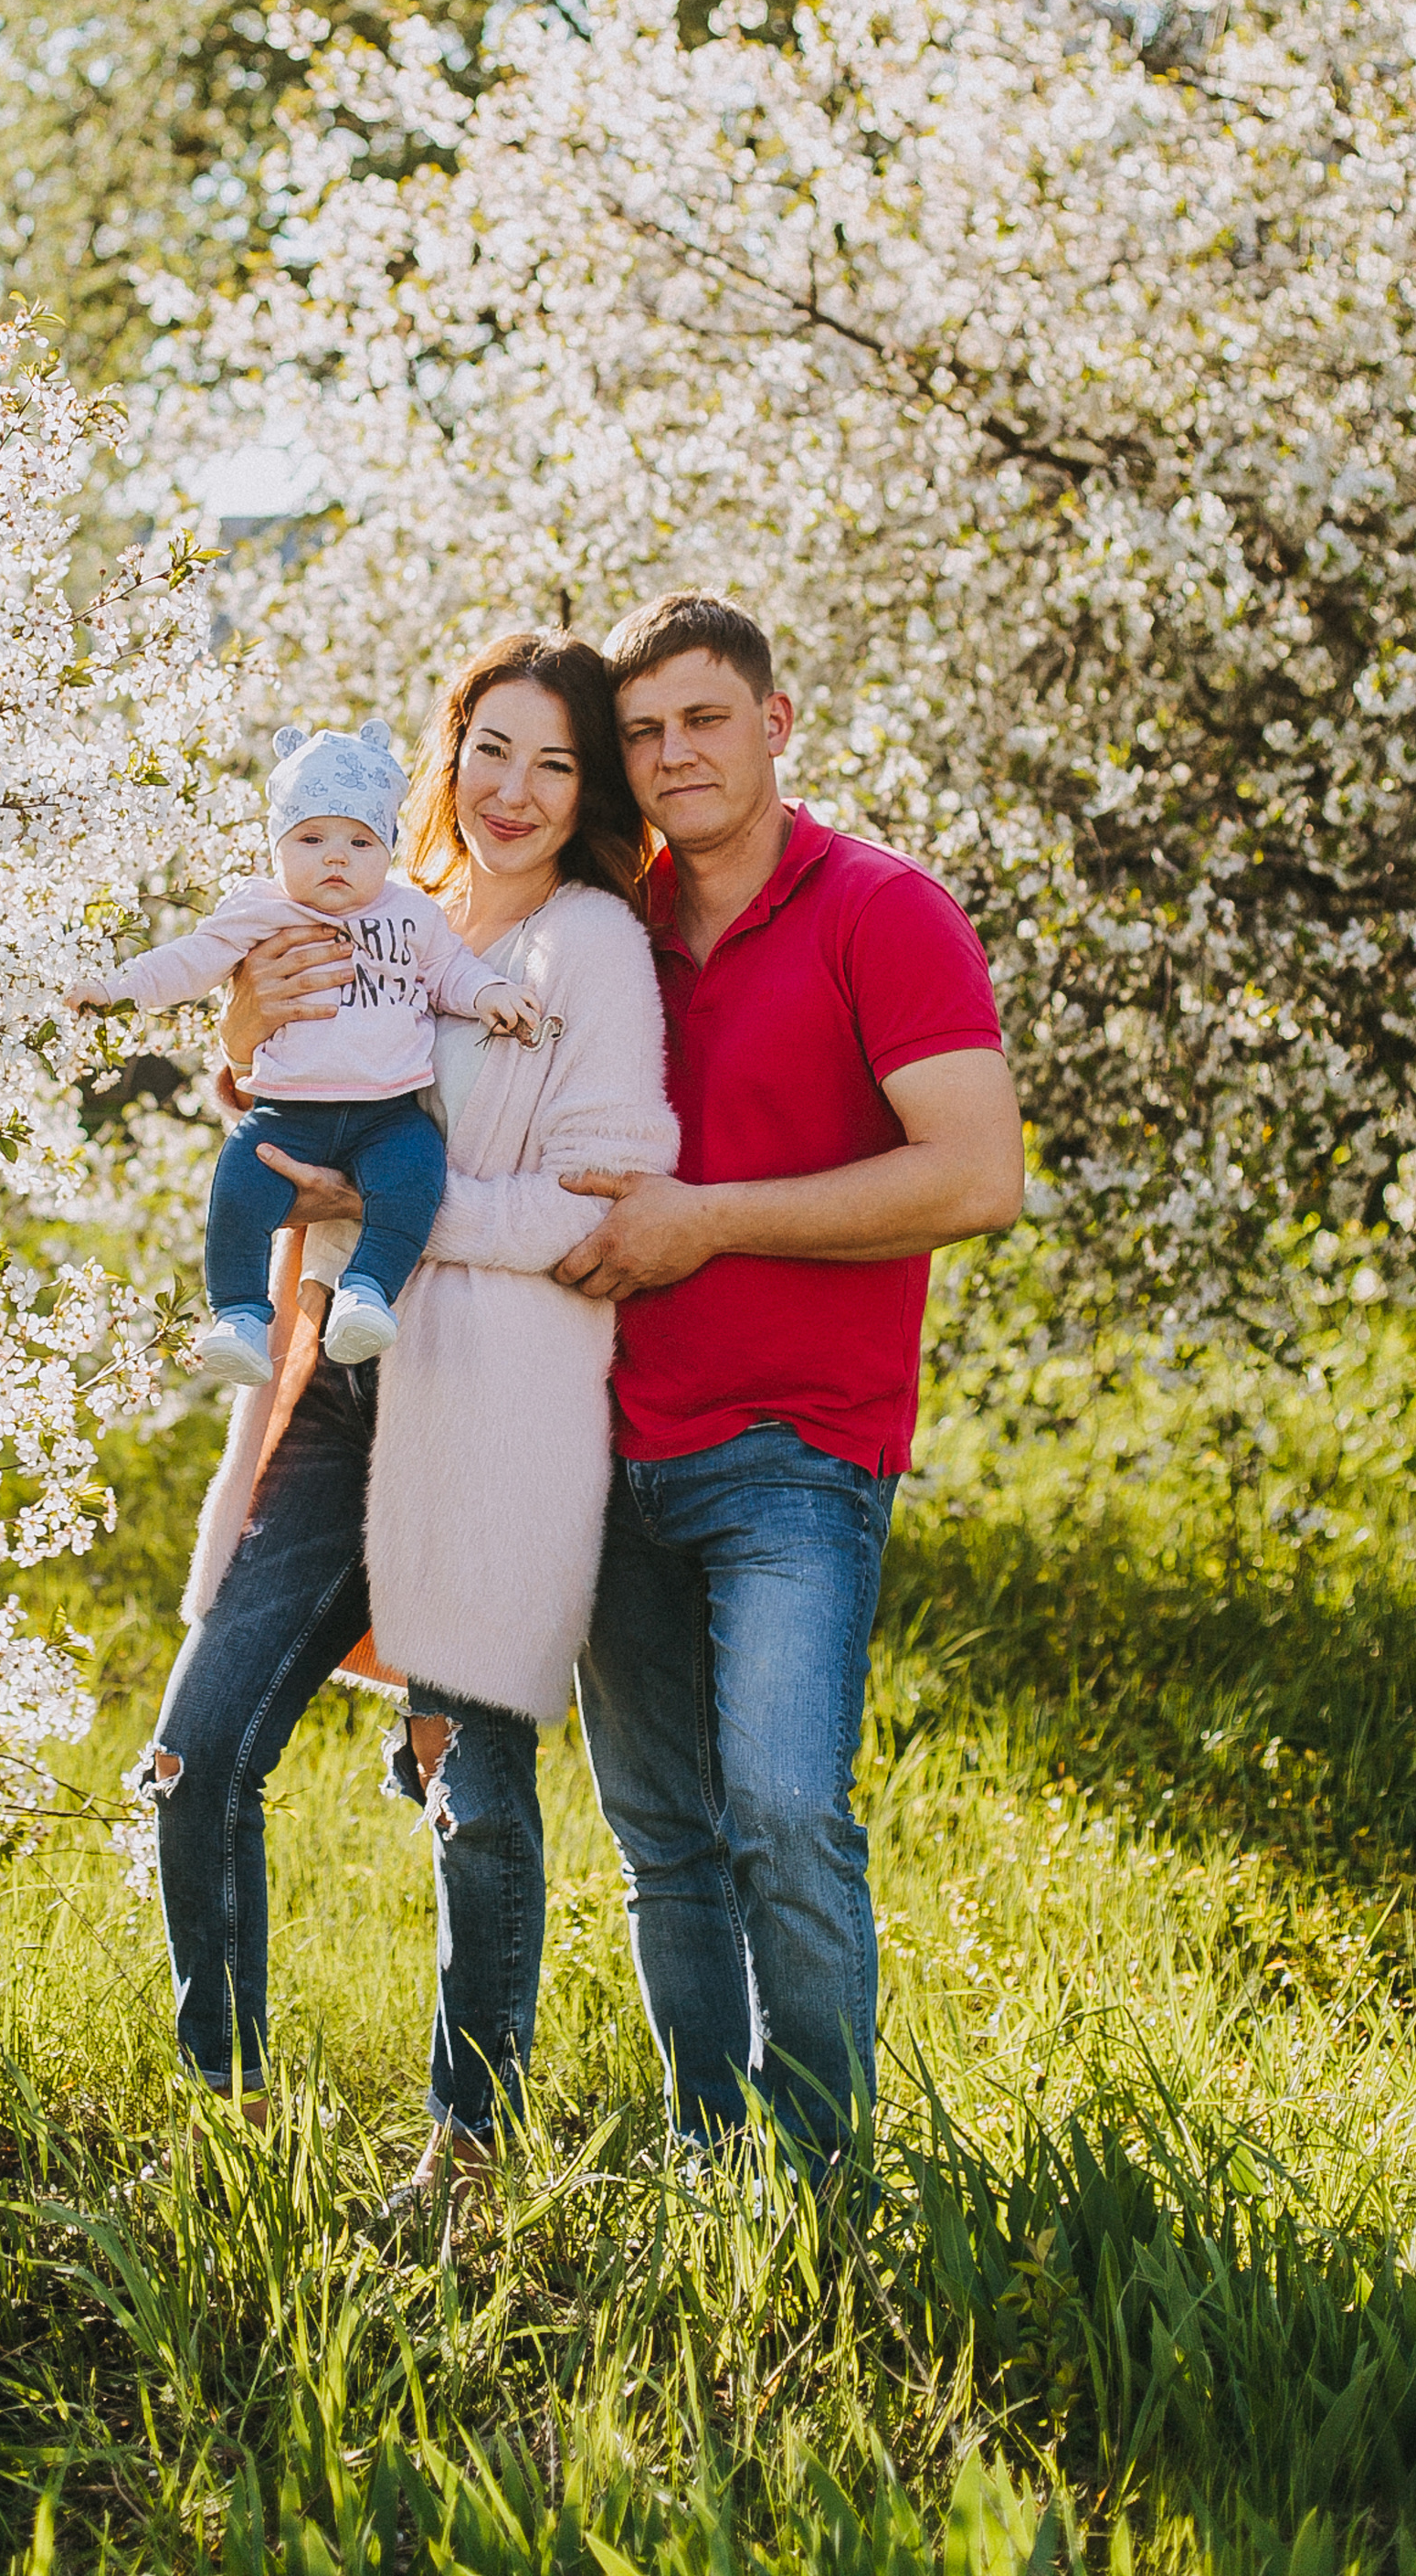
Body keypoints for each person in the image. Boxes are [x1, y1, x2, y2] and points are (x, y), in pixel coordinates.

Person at [141, 633, 677, 2177]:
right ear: (446, 757)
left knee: (475, 1793)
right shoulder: (386, 905)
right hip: (340, 1388)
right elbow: (282, 1092)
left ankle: (470, 2153)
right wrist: (243, 1046)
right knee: (195, 1756)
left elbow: (598, 1205)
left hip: (493, 1407)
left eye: (556, 763)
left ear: (590, 790)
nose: (515, 789)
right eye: (490, 749)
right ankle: (231, 2121)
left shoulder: (591, 949)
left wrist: (388, 1214)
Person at [552, 591, 1024, 2164]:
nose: (675, 753)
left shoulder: (882, 910)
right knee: (664, 1839)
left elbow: (975, 1176)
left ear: (775, 722)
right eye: (643, 732)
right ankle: (713, 2164)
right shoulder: (604, 929)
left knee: (784, 1814)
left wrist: (708, 1222)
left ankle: (825, 2181)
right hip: (597, 1445)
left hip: (794, 1453)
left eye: (704, 718)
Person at [72, 720, 540, 1387]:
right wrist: (117, 990)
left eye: (360, 842)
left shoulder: (411, 914)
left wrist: (489, 991)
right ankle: (238, 1315)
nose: (336, 859)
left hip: (388, 1113)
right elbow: (190, 960)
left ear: (388, 849)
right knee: (239, 1188)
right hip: (288, 1113)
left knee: (415, 1180)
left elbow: (450, 973)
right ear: (278, 847)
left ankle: (367, 1292)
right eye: (312, 839)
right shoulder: (260, 909)